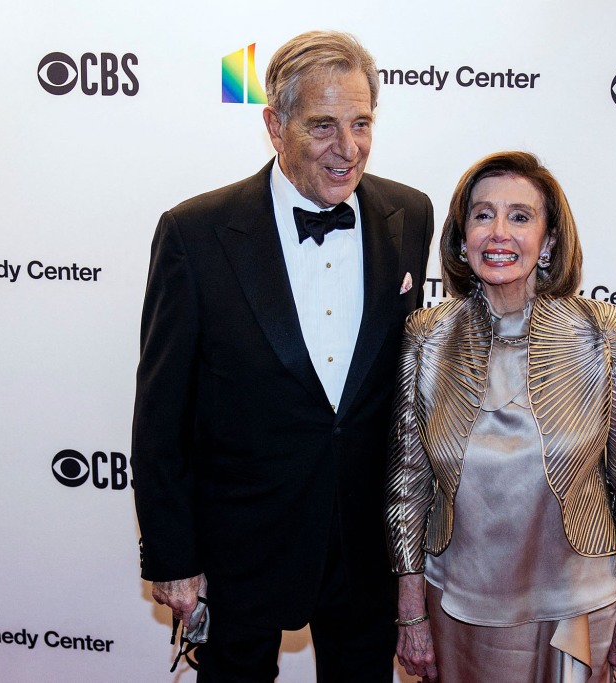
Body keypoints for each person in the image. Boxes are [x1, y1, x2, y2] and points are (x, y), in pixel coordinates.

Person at [131, 31, 434, 682]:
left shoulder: (410, 214)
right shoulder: (196, 232)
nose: (347, 149)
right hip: (239, 544)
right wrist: (171, 553)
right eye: (323, 126)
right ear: (275, 124)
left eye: (361, 123)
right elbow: (161, 412)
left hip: (363, 543)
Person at [385, 151, 616, 682]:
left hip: (576, 604)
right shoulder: (427, 336)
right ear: (461, 236)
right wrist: (410, 611)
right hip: (456, 604)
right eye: (482, 214)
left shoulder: (603, 333)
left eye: (520, 216)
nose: (498, 233)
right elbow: (409, 484)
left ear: (549, 241)